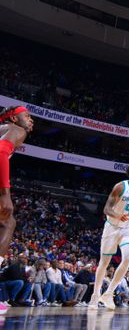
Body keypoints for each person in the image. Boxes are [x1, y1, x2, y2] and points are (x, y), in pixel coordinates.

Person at [88, 161, 129, 310]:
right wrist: (117, 214)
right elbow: (107, 208)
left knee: (127, 259)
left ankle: (108, 294)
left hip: (128, 230)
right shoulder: (120, 187)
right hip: (112, 227)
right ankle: (95, 295)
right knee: (104, 263)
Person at [0, 106, 34, 315]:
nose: (31, 121)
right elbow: (2, 153)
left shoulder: (2, 127)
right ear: (14, 118)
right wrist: (5, 193)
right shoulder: (16, 130)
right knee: (7, 223)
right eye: (27, 116)